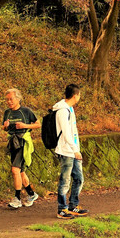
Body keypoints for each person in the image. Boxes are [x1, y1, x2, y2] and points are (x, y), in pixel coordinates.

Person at [53, 83, 88, 219]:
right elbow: (67, 134)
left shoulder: (69, 109)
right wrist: (75, 150)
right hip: (66, 151)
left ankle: (73, 205)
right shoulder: (62, 111)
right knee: (65, 181)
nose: (79, 97)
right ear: (75, 95)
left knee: (79, 178)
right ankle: (62, 209)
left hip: (73, 150)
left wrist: (76, 149)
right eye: (79, 95)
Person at [1, 88, 41, 209]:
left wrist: (25, 125)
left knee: (15, 170)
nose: (9, 102)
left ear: (18, 99)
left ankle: (17, 198)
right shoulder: (7, 113)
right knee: (20, 171)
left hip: (23, 143)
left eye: (11, 99)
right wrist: (5, 127)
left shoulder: (26, 111)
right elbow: (5, 128)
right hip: (13, 143)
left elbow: (38, 124)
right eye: (7, 99)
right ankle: (32, 194)